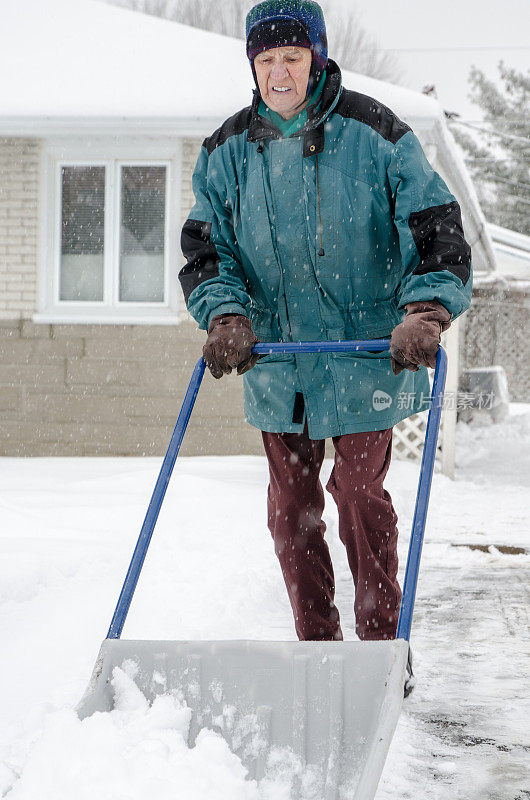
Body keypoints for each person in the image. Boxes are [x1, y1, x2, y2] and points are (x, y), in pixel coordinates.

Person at [179, 0, 472, 691]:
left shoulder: (376, 134)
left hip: (368, 356)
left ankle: (377, 654)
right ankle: (318, 651)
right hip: (278, 367)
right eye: (266, 59)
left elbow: (436, 227)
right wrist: (225, 318)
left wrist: (425, 311)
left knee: (361, 498)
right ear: (252, 65)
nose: (279, 72)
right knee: (290, 514)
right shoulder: (226, 152)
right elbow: (205, 249)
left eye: (293, 57)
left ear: (317, 56)